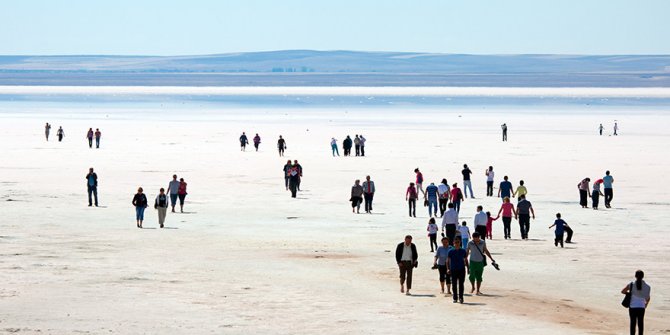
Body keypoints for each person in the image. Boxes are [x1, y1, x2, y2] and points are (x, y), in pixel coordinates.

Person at [621, 270, 650, 335]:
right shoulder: (648, 287)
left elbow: (622, 291)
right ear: (643, 276)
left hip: (632, 307)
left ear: (635, 276)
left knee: (632, 323)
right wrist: (646, 305)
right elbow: (647, 298)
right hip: (641, 307)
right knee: (641, 324)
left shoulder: (631, 285)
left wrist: (629, 293)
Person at [446, 237, 468, 303]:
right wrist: (448, 269)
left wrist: (468, 268)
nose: (457, 244)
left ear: (460, 243)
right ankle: (455, 298)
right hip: (453, 269)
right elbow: (447, 261)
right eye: (455, 242)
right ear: (453, 243)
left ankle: (461, 297)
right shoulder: (450, 251)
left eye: (458, 242)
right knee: (454, 284)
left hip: (461, 269)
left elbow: (465, 260)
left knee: (461, 284)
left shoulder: (463, 251)